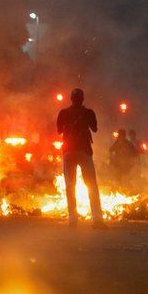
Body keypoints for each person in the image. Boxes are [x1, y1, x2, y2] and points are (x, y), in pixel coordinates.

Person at [57, 88, 104, 227]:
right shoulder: (89, 112)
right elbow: (94, 129)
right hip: (84, 151)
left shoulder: (63, 113)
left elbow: (59, 130)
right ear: (82, 99)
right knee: (91, 185)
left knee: (70, 186)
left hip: (69, 151)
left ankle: (73, 219)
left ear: (71, 98)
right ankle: (97, 219)